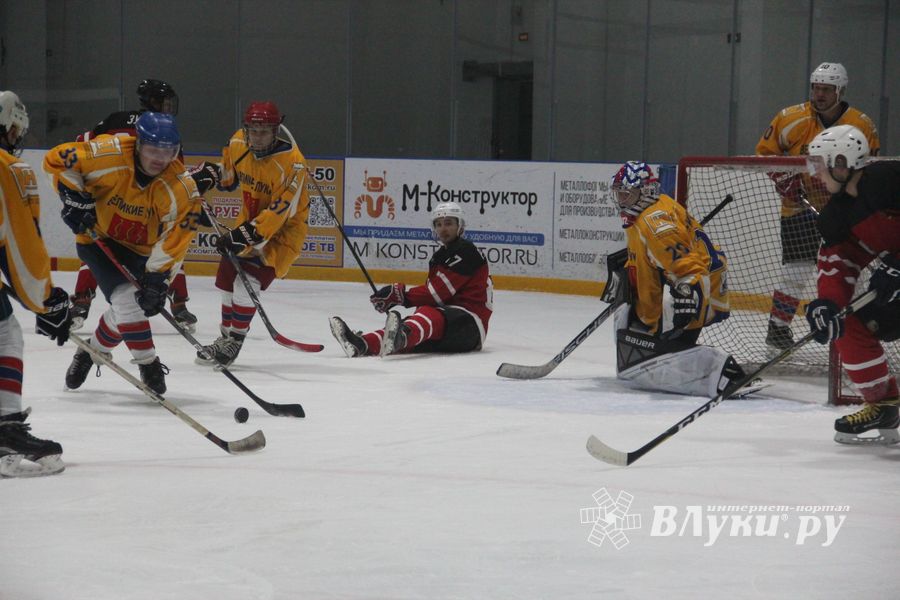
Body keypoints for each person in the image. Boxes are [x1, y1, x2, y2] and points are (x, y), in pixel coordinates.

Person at [44, 112, 215, 395]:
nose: (160, 159)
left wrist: (158, 277)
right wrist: (72, 195)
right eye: (153, 150)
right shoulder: (107, 153)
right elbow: (55, 160)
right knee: (127, 300)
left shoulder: (181, 188)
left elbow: (176, 238)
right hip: (99, 239)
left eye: (169, 152)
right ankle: (148, 364)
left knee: (126, 308)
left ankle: (91, 352)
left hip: (146, 251)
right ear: (138, 144)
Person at [756, 62, 880, 351]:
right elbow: (765, 153)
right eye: (816, 87)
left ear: (840, 91)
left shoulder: (861, 124)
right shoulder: (790, 118)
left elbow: (869, 166)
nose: (819, 94)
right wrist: (782, 179)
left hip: (846, 208)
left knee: (853, 271)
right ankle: (777, 329)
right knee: (796, 271)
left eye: (826, 89)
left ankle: (855, 329)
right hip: (799, 206)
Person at [606, 161, 750, 398]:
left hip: (700, 285)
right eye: (618, 194)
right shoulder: (646, 212)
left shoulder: (654, 223)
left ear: (646, 191)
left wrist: (687, 293)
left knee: (664, 353)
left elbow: (690, 268)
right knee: (643, 353)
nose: (621, 201)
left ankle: (718, 373)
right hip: (697, 278)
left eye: (627, 195)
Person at [69, 79, 197, 332]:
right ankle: (179, 306)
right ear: (152, 101)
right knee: (168, 247)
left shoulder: (116, 119)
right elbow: (174, 172)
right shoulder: (164, 131)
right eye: (165, 102)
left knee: (99, 244)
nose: (169, 108)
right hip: (143, 199)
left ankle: (81, 303)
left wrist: (84, 184)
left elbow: (82, 143)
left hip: (107, 193)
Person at [194, 101, 310, 367]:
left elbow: (279, 213)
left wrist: (242, 235)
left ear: (275, 131)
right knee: (225, 283)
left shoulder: (293, 165)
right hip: (248, 224)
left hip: (282, 235)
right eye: (253, 130)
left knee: (245, 285)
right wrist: (207, 176)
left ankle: (235, 341)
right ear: (246, 129)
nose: (257, 137)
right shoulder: (238, 143)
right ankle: (223, 339)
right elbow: (228, 176)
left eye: (264, 131)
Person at [803, 125, 899, 445]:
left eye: (820, 163)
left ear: (842, 161)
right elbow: (838, 264)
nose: (815, 173)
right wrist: (827, 304)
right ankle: (884, 403)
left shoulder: (889, 180)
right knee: (845, 322)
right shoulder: (837, 216)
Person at [0, 91, 71, 477]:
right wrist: (46, 301)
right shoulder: (9, 168)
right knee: (5, 335)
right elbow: (20, 246)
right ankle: (7, 427)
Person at [329, 202, 493, 358]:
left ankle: (402, 336)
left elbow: (437, 294)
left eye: (449, 223)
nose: (443, 229)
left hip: (470, 326)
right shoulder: (439, 256)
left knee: (426, 314)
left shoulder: (467, 251)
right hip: (448, 327)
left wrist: (399, 296)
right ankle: (362, 344)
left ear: (460, 226)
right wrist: (399, 297)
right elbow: (433, 298)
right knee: (408, 328)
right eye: (439, 224)